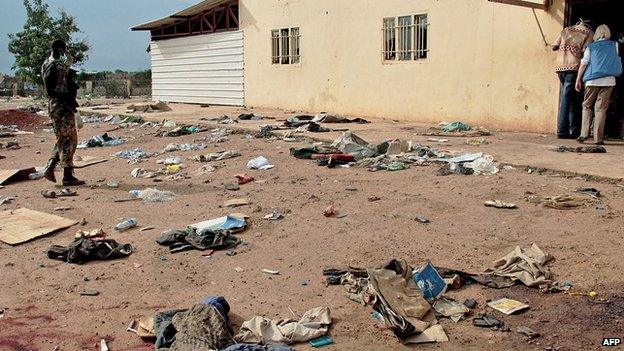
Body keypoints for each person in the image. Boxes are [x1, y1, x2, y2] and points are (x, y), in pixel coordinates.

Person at [41, 39, 85, 186]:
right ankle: (67, 175)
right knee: (69, 140)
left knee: (62, 138)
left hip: (53, 106)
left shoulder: (45, 64)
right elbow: (63, 90)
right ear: (61, 50)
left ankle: (51, 166)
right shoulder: (58, 66)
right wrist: (74, 110)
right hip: (62, 106)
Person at [576, 25, 623, 145]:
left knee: (587, 106)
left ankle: (583, 134)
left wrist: (578, 79)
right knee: (601, 109)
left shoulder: (590, 47)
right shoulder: (615, 45)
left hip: (592, 80)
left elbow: (584, 64)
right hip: (609, 80)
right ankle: (598, 138)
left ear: (596, 34)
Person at [552, 19, 594, 139]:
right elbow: (587, 51)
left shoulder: (566, 30)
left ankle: (570, 130)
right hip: (573, 67)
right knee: (572, 100)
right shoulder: (588, 33)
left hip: (560, 67)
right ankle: (564, 130)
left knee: (567, 98)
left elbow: (555, 46)